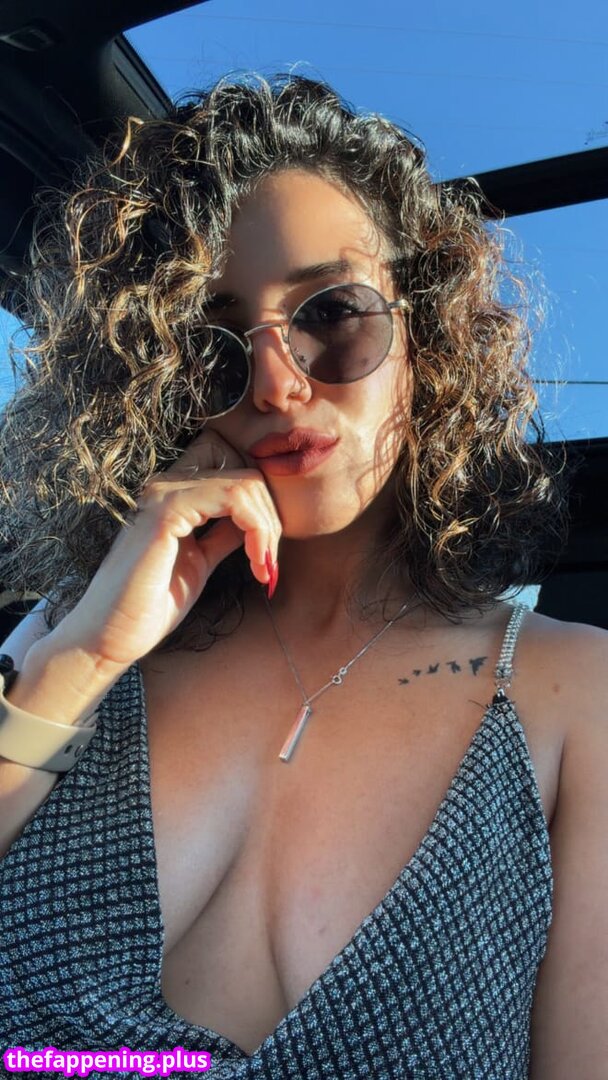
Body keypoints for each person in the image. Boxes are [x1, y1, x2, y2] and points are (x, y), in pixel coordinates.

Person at [0, 73, 606, 1080]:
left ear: (423, 335)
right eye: (212, 344)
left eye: (333, 313)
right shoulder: (73, 641)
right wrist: (85, 655)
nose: (278, 385)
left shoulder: (577, 695)